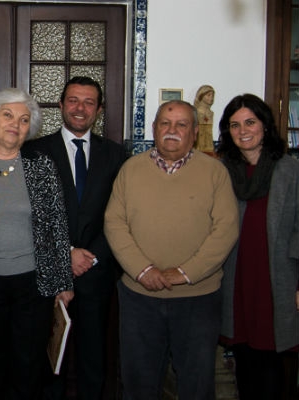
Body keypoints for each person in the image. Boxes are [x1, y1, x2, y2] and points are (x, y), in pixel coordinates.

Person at [104, 100, 239, 399]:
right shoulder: (130, 169)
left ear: (195, 132)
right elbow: (114, 223)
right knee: (138, 384)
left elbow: (226, 229)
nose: (172, 130)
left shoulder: (215, 172)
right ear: (154, 128)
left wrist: (185, 273)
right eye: (165, 123)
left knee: (196, 385)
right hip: (139, 297)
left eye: (181, 124)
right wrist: (143, 271)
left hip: (198, 299)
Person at [0, 88, 73, 399]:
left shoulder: (42, 166)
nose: (15, 124)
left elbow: (58, 225)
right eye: (7, 115)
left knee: (28, 366)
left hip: (33, 284)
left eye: (23, 119)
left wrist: (63, 282)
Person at [25, 76, 127, 400]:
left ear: (99, 109)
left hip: (97, 272)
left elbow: (123, 214)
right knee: (50, 360)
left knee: (93, 358)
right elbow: (30, 213)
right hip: (48, 274)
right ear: (60, 105)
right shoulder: (35, 152)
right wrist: (66, 252)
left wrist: (92, 255)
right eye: (73, 100)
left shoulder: (116, 155)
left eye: (88, 102)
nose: (80, 108)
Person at [215, 94, 299, 400]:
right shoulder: (222, 172)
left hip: (277, 280)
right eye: (235, 125)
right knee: (244, 359)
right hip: (235, 279)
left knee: (271, 362)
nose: (243, 131)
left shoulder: (290, 170)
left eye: (250, 122)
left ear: (265, 125)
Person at [194, 85, 215, 153]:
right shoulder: (196, 112)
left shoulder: (210, 113)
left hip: (209, 148)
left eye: (212, 95)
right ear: (201, 96)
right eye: (208, 95)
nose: (211, 98)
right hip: (198, 148)